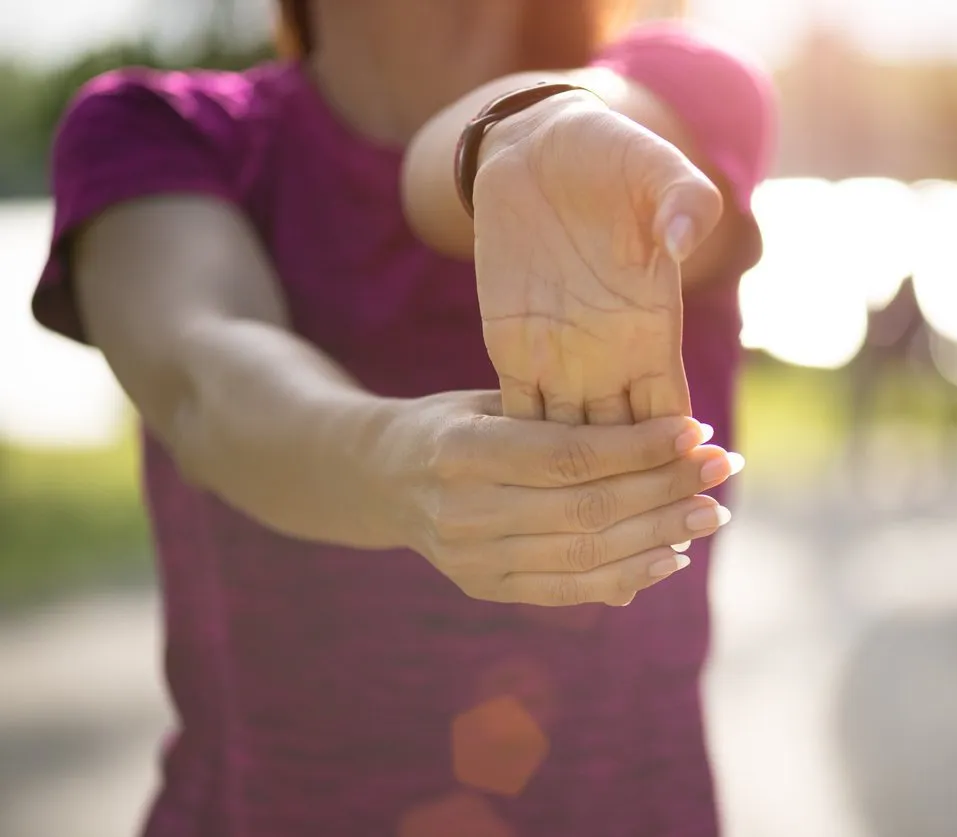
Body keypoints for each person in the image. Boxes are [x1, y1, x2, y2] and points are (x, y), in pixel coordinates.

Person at [31, 1, 777, 834]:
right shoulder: (155, 130)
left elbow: (447, 176)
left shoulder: (686, 91)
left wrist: (529, 131)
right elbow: (205, 379)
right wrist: (404, 465)